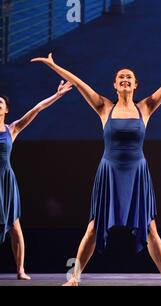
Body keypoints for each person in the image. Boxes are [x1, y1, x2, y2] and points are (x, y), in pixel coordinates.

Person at [31, 50, 161, 286]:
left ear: (135, 85)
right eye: (121, 78)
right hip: (109, 172)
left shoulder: (145, 107)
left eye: (129, 77)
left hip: (137, 173)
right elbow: (77, 82)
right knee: (94, 227)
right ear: (115, 85)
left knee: (150, 228)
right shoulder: (104, 107)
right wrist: (54, 65)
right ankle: (74, 278)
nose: (125, 80)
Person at [0, 80, 73, 280]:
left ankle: (20, 270)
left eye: (0, 103)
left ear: (6, 110)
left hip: (5, 181)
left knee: (15, 227)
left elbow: (37, 108)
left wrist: (57, 95)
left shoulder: (11, 129)